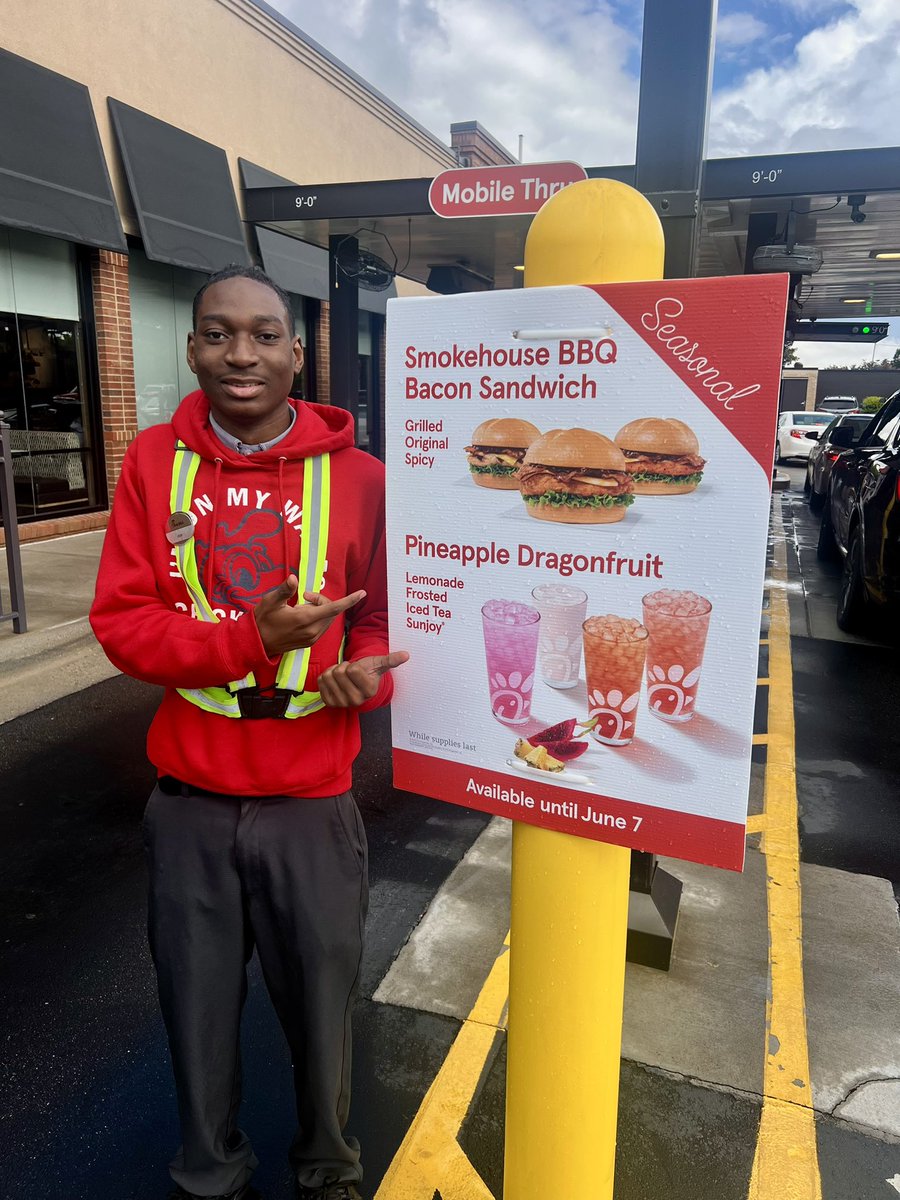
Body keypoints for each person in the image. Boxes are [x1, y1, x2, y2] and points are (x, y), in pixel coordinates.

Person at [91, 264, 407, 1200]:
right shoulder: (153, 464)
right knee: (194, 1012)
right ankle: (209, 1174)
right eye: (219, 333)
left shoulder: (364, 479)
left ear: (298, 352)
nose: (242, 353)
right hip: (189, 805)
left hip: (313, 801)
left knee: (321, 1011)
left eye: (265, 334)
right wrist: (248, 639)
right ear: (191, 348)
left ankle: (328, 1166)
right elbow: (123, 624)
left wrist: (365, 681)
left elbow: (386, 618)